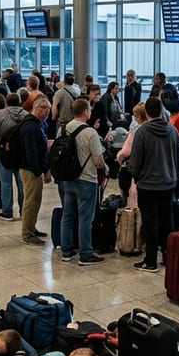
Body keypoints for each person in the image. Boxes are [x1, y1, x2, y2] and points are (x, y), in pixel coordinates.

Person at [127, 97, 179, 273]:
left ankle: (150, 261)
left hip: (148, 185)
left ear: (147, 113)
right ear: (161, 111)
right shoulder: (173, 132)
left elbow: (135, 162)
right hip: (168, 183)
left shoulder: (142, 133)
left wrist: (136, 177)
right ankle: (168, 256)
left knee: (150, 222)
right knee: (167, 221)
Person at [59, 99, 106, 266]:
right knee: (86, 217)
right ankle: (85, 253)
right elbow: (98, 160)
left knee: (68, 214)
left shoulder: (62, 129)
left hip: (67, 178)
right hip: (87, 179)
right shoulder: (90, 133)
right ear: (86, 112)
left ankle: (66, 250)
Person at [19, 96, 52, 245]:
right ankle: (27, 233)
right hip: (30, 169)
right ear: (36, 108)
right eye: (44, 108)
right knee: (31, 201)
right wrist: (38, 171)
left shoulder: (38, 124)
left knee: (36, 200)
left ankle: (31, 227)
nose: (47, 112)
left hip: (34, 168)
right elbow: (31, 152)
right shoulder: (30, 126)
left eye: (49, 109)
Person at [0, 92, 25, 221]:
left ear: (7, 102)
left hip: (4, 153)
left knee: (6, 183)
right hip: (21, 153)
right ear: (20, 102)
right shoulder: (26, 115)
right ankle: (24, 210)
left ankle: (7, 212)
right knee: (22, 183)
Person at [51, 73, 79, 139]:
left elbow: (54, 107)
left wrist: (54, 118)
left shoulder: (59, 93)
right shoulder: (77, 92)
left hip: (62, 123)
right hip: (74, 122)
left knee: (60, 142)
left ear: (64, 81)